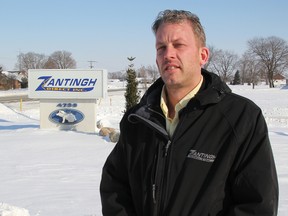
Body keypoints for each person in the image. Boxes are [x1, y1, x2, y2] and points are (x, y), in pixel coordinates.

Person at [100, 10, 279, 216]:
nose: (168, 54)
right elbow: (115, 188)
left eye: (178, 45)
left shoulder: (241, 118)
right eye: (161, 48)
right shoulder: (137, 119)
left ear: (202, 55)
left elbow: (257, 205)